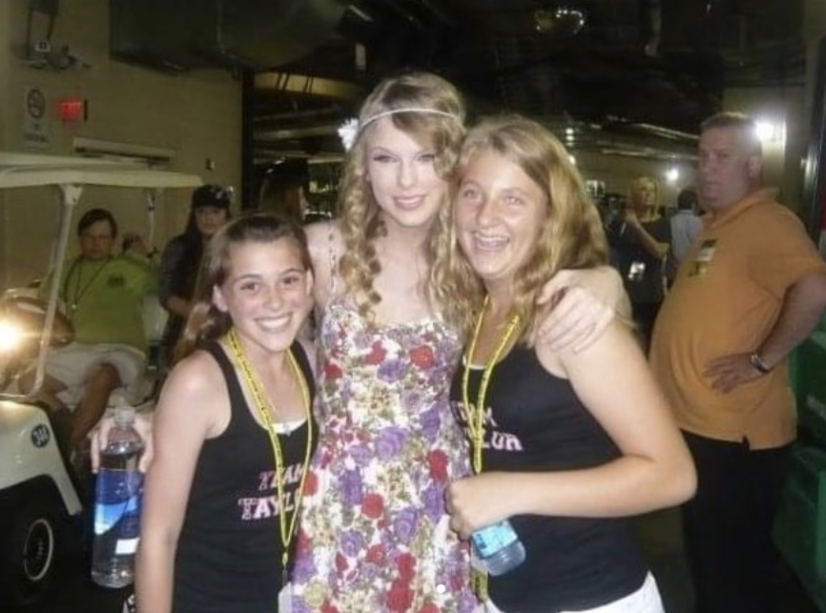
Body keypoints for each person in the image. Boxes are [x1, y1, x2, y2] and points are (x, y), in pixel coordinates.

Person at [290, 72, 622, 612]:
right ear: (362, 167)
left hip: (443, 500)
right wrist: (158, 412)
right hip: (341, 500)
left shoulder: (478, 261)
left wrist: (606, 282)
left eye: (426, 158)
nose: (405, 180)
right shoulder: (324, 253)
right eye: (386, 159)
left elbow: (564, 281)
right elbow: (248, 334)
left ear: (456, 164)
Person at [443, 115, 696, 613]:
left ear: (550, 215)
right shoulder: (474, 311)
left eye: (513, 199)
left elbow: (672, 475)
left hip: (591, 597)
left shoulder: (573, 318)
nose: (485, 217)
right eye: (472, 193)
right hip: (506, 592)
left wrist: (509, 492)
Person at [650, 111, 826, 613]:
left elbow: (818, 288)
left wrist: (761, 360)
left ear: (753, 165)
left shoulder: (766, 223)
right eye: (702, 158)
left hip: (736, 438)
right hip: (704, 429)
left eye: (723, 158)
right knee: (714, 565)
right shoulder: (719, 228)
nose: (707, 169)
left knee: (731, 573)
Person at [136, 213, 318, 613]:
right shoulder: (199, 383)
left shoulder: (312, 362)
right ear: (220, 296)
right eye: (251, 285)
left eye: (288, 280)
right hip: (206, 600)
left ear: (309, 284)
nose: (274, 300)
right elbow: (158, 538)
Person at [24, 207, 156, 453]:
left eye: (103, 238)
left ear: (112, 241)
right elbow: (44, 302)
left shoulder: (130, 268)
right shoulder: (67, 270)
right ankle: (66, 422)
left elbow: (167, 286)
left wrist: (148, 253)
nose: (96, 244)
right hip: (78, 348)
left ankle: (67, 446)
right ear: (79, 238)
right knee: (29, 381)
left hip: (122, 349)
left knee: (103, 375)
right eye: (89, 236)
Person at [158, 184, 232, 363]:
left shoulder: (237, 248)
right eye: (202, 212)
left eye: (215, 212)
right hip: (182, 333)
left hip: (228, 333)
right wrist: (198, 316)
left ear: (226, 215)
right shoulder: (179, 247)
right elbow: (165, 293)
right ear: (194, 215)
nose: (208, 218)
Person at [609, 176, 670, 346]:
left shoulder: (662, 223)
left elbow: (659, 252)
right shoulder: (620, 222)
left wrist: (637, 227)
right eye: (644, 190)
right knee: (625, 342)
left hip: (651, 294)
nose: (649, 194)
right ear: (634, 194)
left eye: (652, 191)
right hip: (626, 292)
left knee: (648, 342)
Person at [665, 187, 703, 284]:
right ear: (693, 205)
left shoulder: (669, 222)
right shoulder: (696, 222)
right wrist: (699, 275)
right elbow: (701, 250)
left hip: (672, 274)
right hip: (690, 275)